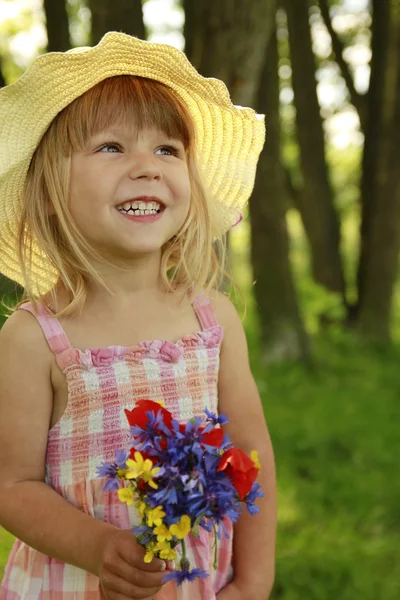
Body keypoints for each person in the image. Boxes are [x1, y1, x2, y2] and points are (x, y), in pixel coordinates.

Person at [0, 32, 277, 600]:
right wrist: (96, 547)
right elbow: (12, 485)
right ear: (52, 190)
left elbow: (252, 457)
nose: (147, 167)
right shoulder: (35, 338)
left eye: (168, 149)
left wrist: (252, 580)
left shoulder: (210, 321)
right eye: (110, 147)